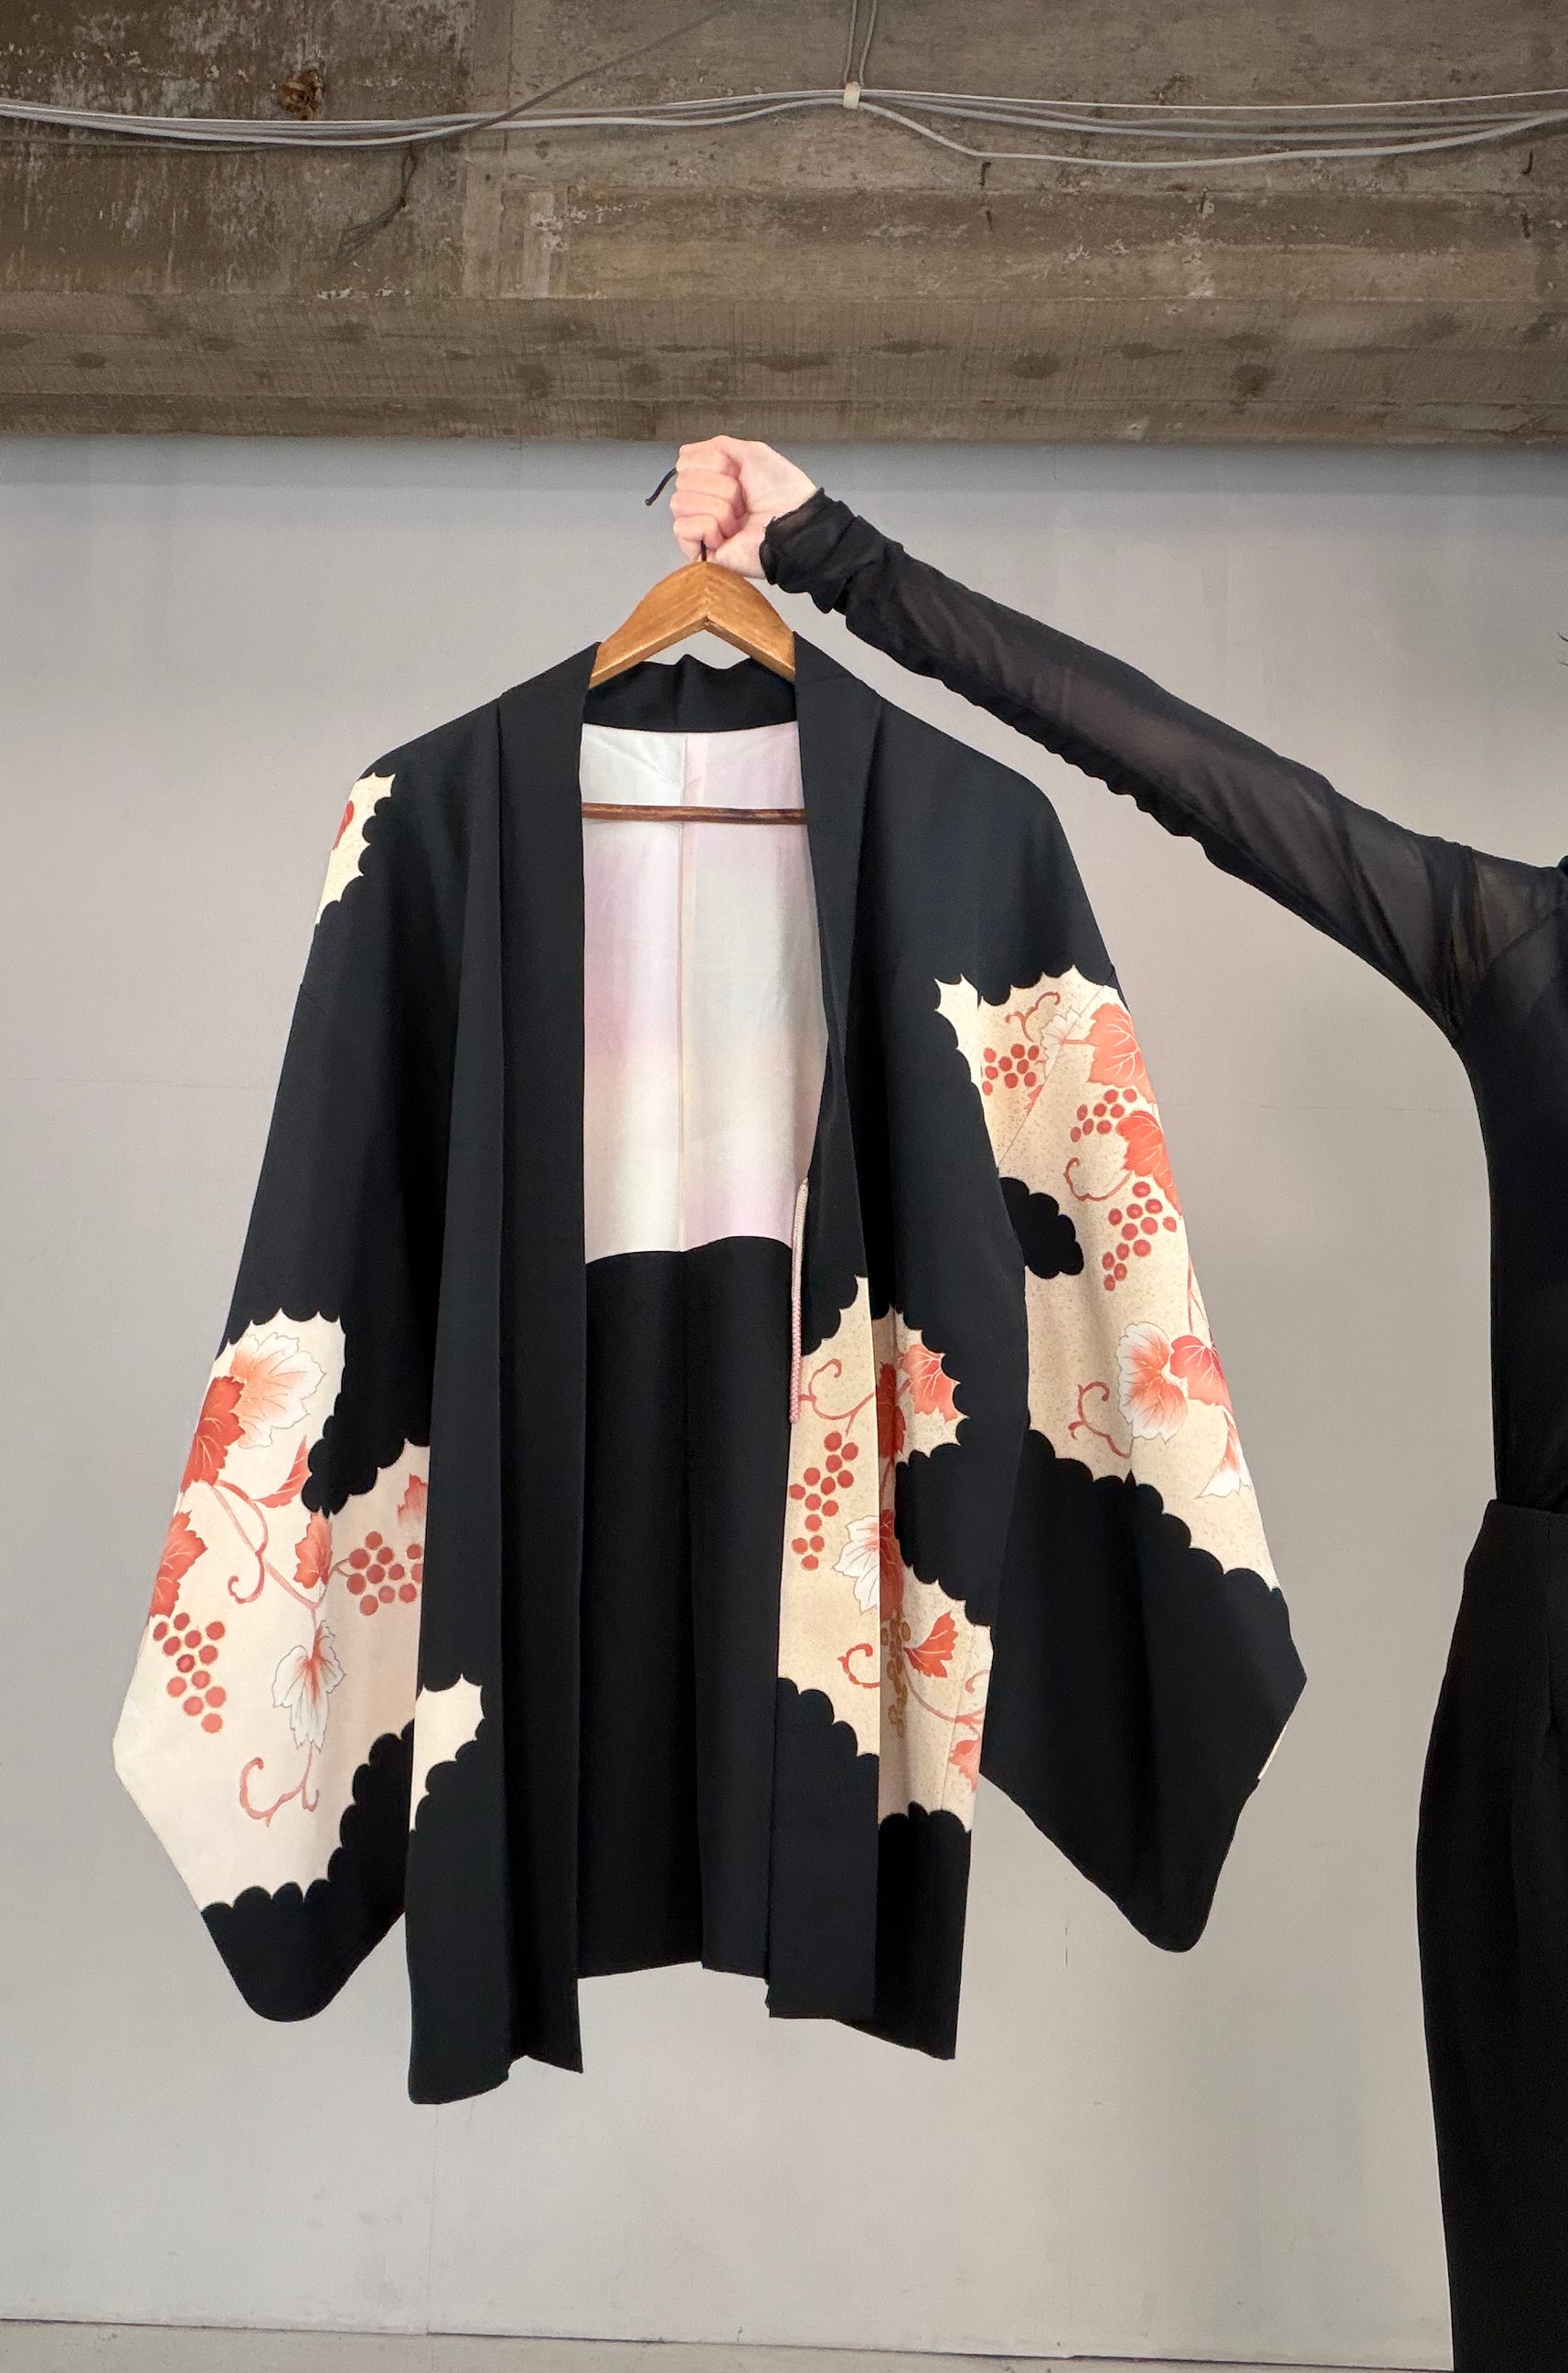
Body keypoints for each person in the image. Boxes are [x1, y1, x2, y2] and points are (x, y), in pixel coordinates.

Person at [669, 434, 1568, 2373]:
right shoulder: (1518, 946)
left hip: (1544, 1653)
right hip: (1548, 1666)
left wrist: (834, 547)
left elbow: (1194, 774)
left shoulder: (1515, 946)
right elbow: (1186, 767)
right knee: (1535, 2210)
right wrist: (827, 549)